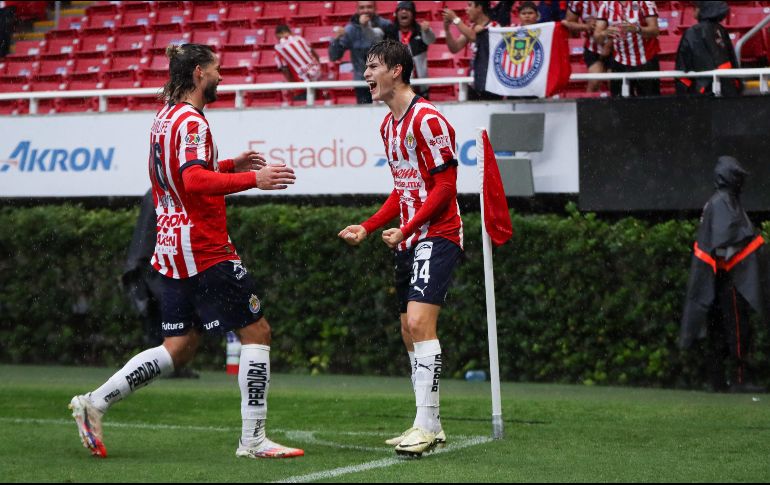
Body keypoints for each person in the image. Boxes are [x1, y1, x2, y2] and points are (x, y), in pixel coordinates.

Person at [69, 43, 304, 460]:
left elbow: (178, 176)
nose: (221, 76)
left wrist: (230, 164)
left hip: (171, 246)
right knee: (257, 332)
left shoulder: (164, 117)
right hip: (203, 246)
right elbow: (193, 180)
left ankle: (95, 402)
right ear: (198, 73)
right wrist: (254, 178)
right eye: (217, 69)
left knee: (178, 345)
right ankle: (253, 440)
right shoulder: (192, 122)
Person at [338, 39, 463, 457]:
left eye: (372, 66)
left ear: (396, 70)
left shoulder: (427, 119)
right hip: (410, 237)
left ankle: (424, 428)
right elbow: (403, 188)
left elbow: (445, 187)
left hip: (438, 234)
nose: (366, 75)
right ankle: (430, 424)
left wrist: (408, 226)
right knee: (407, 329)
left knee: (420, 322)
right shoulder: (388, 125)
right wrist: (371, 227)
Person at [680, 156, 767, 394]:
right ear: (730, 177)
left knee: (719, 328)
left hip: (715, 278)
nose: (741, 181)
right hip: (730, 278)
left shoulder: (716, 201)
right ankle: (739, 379)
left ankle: (716, 380)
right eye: (737, 176)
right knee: (738, 329)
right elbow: (730, 240)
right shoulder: (724, 202)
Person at [121, 189, 199, 378]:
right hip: (156, 265)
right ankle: (163, 368)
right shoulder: (162, 192)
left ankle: (170, 366)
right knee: (166, 321)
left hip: (156, 263)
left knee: (170, 321)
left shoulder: (162, 190)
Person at [329, 1, 394, 104]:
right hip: (362, 82)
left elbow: (395, 52)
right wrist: (336, 39)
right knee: (366, 116)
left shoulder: (386, 25)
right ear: (357, 10)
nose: (366, 10)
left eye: (369, 7)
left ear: (375, 8)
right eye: (362, 8)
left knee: (388, 116)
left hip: (385, 80)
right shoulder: (350, 29)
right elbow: (334, 56)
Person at [594, 1, 661, 97]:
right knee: (619, 104)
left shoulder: (645, 2)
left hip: (646, 59)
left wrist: (637, 29)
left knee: (650, 104)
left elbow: (655, 31)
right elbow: (597, 37)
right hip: (620, 61)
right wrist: (605, 33)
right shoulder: (606, 5)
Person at [675, 1, 742, 97]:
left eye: (695, 8)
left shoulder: (693, 32)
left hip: (703, 93)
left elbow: (683, 65)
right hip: (728, 90)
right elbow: (733, 61)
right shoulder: (721, 30)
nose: (693, 11)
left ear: (701, 10)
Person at [443, 1, 502, 100]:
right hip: (474, 82)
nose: (466, 9)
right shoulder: (471, 28)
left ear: (479, 7)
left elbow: (475, 37)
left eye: (470, 5)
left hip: (490, 84)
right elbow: (454, 48)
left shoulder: (494, 27)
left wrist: (455, 19)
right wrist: (447, 30)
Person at [387, 1, 436, 98]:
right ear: (396, 14)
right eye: (401, 9)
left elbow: (431, 40)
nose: (404, 12)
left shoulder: (420, 30)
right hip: (397, 88)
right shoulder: (390, 32)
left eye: (408, 9)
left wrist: (427, 31)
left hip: (420, 87)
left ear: (413, 14)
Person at [562, 1, 609, 93]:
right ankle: (589, 106)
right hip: (592, 47)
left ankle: (618, 106)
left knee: (615, 82)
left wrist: (608, 46)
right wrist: (586, 26)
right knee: (594, 82)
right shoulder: (578, 2)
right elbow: (568, 23)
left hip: (617, 48)